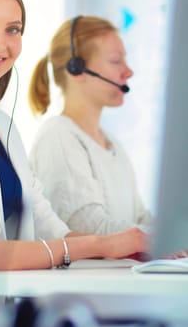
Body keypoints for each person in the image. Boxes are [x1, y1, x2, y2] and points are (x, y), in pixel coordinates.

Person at [0, 0, 149, 324]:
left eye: (12, 29)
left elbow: (51, 229)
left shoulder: (3, 125)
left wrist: (131, 243)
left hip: (0, 323)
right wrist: (98, 243)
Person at [28, 15, 153, 236]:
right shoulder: (58, 137)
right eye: (116, 61)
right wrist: (159, 239)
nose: (128, 71)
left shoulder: (111, 143)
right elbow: (90, 228)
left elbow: (140, 217)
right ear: (76, 70)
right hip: (87, 271)